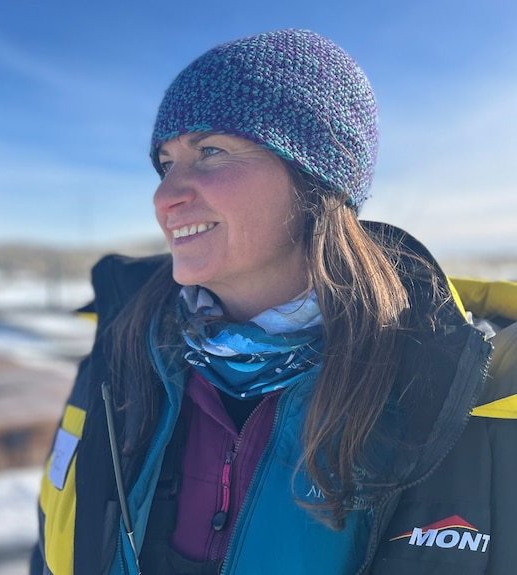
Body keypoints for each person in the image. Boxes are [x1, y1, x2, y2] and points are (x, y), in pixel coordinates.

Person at [31, 29, 517, 575]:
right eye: (166, 163)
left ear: (315, 178)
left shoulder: (462, 391)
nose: (165, 197)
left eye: (210, 151)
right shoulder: (120, 351)